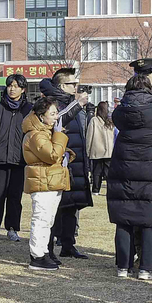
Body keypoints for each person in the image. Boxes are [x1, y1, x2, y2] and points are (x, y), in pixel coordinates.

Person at [107, 73, 152, 280]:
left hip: (125, 171)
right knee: (150, 221)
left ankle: (123, 266)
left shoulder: (120, 112)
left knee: (124, 220)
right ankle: (147, 268)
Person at [39, 69, 93, 259]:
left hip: (74, 162)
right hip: (58, 163)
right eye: (71, 84)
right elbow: (57, 119)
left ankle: (68, 245)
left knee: (71, 207)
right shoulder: (52, 103)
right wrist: (78, 104)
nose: (75, 87)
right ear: (62, 86)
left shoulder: (71, 103)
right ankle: (48, 248)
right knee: (54, 208)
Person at [22, 96, 69, 271]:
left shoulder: (46, 132)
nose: (56, 117)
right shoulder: (36, 134)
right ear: (41, 115)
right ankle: (37, 256)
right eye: (53, 114)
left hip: (50, 180)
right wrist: (60, 136)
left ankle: (43, 252)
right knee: (41, 219)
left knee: (47, 220)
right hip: (42, 181)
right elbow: (51, 155)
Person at [0, 73, 32, 241]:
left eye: (16, 86)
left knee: (14, 197)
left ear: (23, 89)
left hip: (19, 161)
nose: (12, 89)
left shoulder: (29, 109)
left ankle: (12, 228)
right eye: (10, 85)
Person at [87, 100, 115, 195]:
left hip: (97, 150)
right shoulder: (110, 121)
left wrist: (87, 150)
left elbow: (89, 136)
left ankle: (95, 190)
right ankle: (110, 190)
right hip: (109, 151)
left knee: (96, 172)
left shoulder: (94, 120)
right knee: (108, 172)